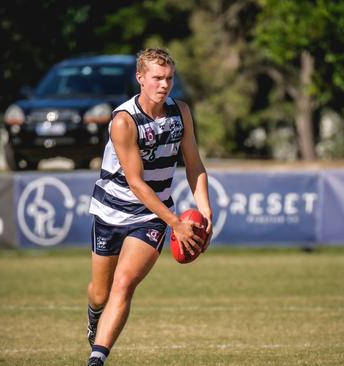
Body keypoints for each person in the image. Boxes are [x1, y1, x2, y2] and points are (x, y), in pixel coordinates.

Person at [85, 47, 212, 366]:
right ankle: (94, 319)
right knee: (100, 293)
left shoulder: (180, 113)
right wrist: (177, 223)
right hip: (111, 210)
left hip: (151, 216)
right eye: (157, 78)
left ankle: (96, 359)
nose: (164, 84)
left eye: (169, 78)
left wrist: (205, 212)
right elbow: (136, 183)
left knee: (124, 283)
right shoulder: (124, 121)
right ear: (140, 79)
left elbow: (194, 165)